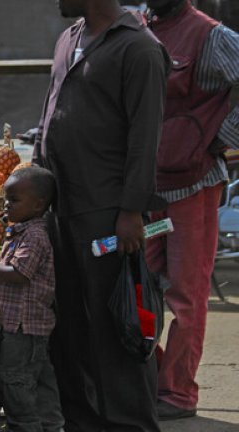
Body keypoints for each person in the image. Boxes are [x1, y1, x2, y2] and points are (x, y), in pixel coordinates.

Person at [32, 1, 169, 431]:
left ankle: (132, 423)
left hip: (107, 215)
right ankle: (82, 420)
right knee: (69, 323)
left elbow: (146, 137)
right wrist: (36, 183)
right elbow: (49, 114)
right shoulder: (68, 39)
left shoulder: (139, 48)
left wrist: (132, 210)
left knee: (117, 326)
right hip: (62, 209)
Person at [145, 0, 239, 420]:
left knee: (186, 294)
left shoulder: (210, 35)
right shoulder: (138, 27)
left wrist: (221, 138)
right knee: (139, 283)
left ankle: (178, 392)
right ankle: (149, 376)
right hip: (148, 190)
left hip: (193, 187)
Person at [0, 167, 63, 432]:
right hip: (24, 327)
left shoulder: (34, 236)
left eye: (15, 200)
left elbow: (19, 274)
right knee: (39, 379)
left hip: (23, 329)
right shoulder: (21, 231)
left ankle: (26, 425)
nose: (7, 205)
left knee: (16, 381)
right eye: (6, 199)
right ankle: (52, 425)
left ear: (38, 204)